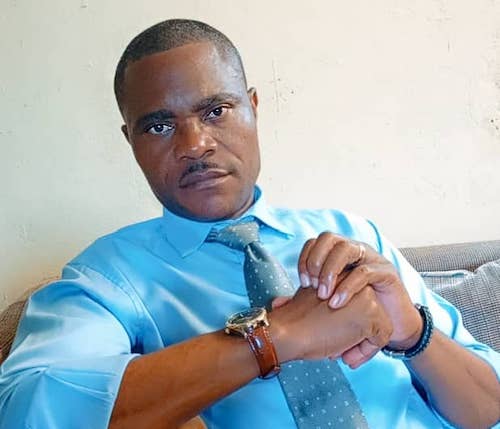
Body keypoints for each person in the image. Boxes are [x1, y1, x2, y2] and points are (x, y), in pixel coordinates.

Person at [0, 19, 499, 429]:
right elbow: (27, 410)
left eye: (216, 111)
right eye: (159, 125)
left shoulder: (352, 235)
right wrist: (277, 335)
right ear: (130, 140)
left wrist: (412, 331)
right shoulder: (107, 276)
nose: (195, 144)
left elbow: (488, 408)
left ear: (253, 108)